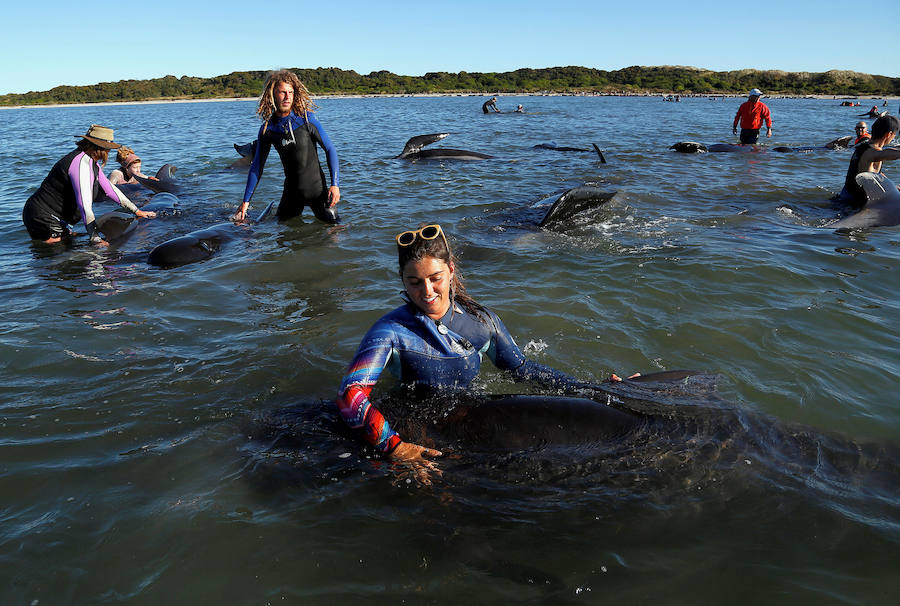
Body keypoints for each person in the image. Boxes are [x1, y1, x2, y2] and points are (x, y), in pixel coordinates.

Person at [336, 224, 635, 471]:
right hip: (413, 423)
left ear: (451, 271)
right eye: (414, 282)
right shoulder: (390, 331)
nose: (426, 291)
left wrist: (595, 392)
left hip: (467, 422)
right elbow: (351, 396)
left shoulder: (482, 322)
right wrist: (394, 446)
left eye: (435, 279)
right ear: (402, 279)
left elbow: (523, 369)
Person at [234, 70, 340, 224]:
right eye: (282, 92)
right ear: (272, 95)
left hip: (318, 192)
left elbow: (330, 149)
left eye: (290, 92)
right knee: (281, 238)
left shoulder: (306, 119)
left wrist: (334, 185)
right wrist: (245, 202)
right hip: (292, 194)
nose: (287, 96)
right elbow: (257, 166)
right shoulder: (268, 129)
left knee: (336, 235)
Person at [22, 124, 156, 245]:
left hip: (58, 217)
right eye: (107, 149)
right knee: (58, 255)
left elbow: (110, 190)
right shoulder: (80, 164)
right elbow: (84, 205)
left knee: (69, 245)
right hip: (42, 215)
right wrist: (95, 238)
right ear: (99, 148)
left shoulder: (91, 162)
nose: (108, 153)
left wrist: (137, 210)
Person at [838, 114, 900, 207]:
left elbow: (877, 175)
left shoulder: (863, 146)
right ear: (889, 134)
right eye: (894, 135)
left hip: (844, 199)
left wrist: (894, 188)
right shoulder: (872, 152)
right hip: (850, 206)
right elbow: (886, 154)